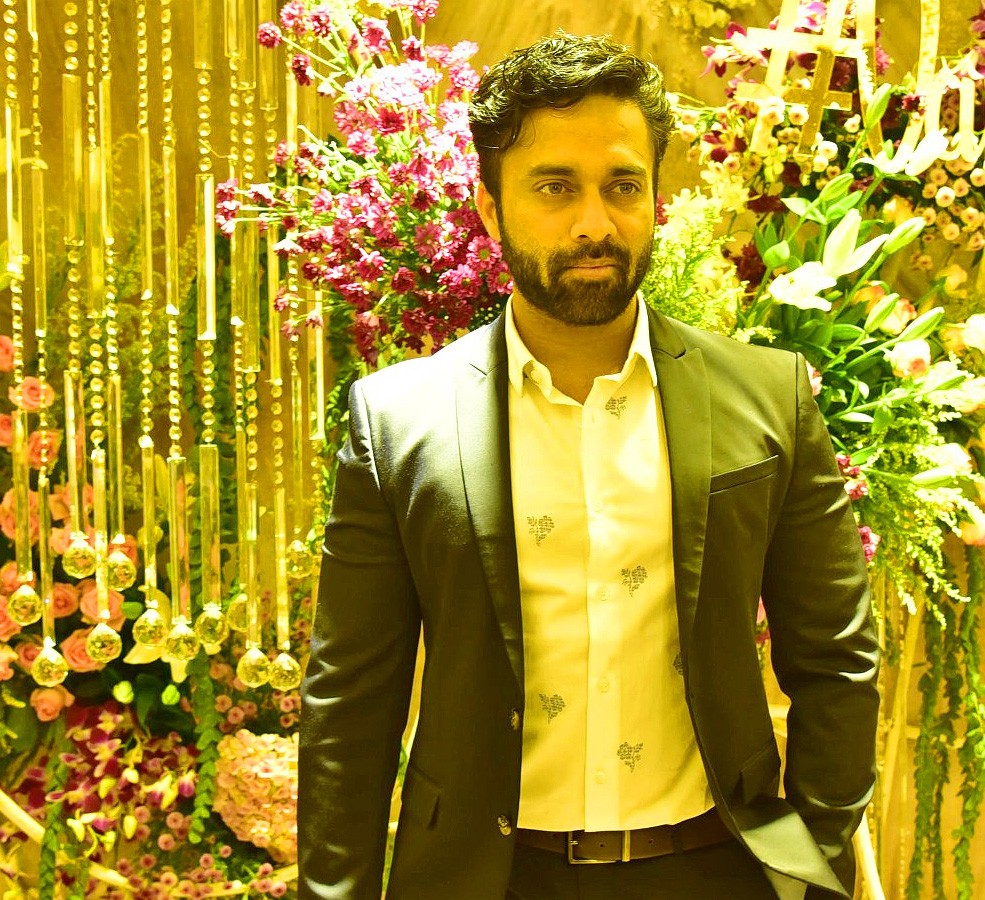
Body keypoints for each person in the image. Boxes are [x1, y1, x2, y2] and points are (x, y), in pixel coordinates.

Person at [298, 32, 879, 900]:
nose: (594, 224)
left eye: (623, 186)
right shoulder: (399, 422)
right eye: (555, 187)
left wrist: (815, 864)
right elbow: (351, 704)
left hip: (716, 868)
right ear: (490, 208)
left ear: (655, 199)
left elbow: (836, 659)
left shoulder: (767, 396)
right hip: (487, 878)